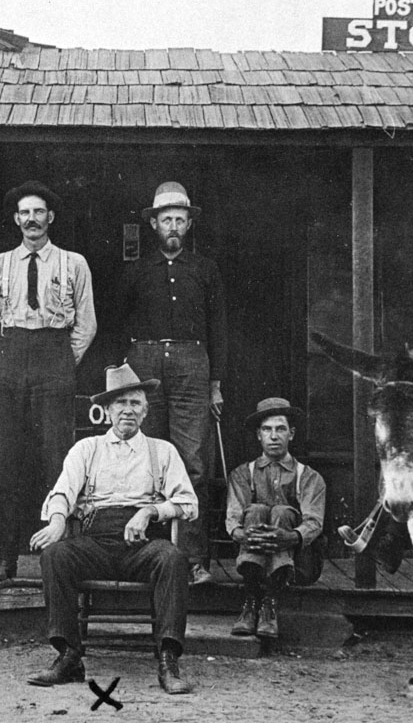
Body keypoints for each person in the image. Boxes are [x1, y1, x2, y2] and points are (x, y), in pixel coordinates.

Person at [26, 364, 197, 695]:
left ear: (145, 411)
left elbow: (188, 504)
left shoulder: (163, 451)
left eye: (135, 403)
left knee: (173, 559)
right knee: (55, 555)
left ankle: (168, 660)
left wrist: (150, 510)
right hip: (96, 543)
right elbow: (62, 491)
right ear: (106, 411)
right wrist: (58, 520)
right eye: (120, 404)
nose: (128, 411)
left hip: (143, 545)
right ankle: (69, 656)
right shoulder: (87, 449)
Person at [0, 180, 97, 583]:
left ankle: (62, 554)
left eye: (38, 212)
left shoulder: (73, 263)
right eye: (24, 213)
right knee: (5, 459)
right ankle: (4, 557)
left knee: (57, 456)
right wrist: (3, 360)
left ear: (51, 217)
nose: (31, 219)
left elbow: (86, 323)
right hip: (9, 355)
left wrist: (62, 359)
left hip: (54, 353)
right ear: (16, 220)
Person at [120, 181, 227, 585]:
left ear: (188, 225)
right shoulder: (135, 271)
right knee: (145, 461)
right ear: (154, 224)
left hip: (191, 363)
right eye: (167, 219)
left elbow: (219, 329)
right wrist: (124, 376)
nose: (173, 226)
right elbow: (119, 326)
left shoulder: (205, 270)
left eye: (180, 219)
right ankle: (147, 557)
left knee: (193, 463)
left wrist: (215, 382)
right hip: (144, 363)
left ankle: (193, 560)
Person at [225, 397, 326, 639]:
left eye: (280, 429)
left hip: (297, 563)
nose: (273, 436)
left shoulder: (309, 477)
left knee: (281, 511)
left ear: (291, 434)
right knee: (256, 512)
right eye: (267, 429)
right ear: (258, 435)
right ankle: (251, 604)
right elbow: (233, 518)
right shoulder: (242, 474)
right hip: (253, 555)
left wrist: (290, 536)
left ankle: (270, 603)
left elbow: (314, 523)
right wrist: (245, 534)